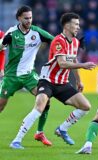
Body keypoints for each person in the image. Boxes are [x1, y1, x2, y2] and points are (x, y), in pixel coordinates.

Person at [9, 12, 96, 149]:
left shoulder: (75, 42)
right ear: (67, 25)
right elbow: (62, 63)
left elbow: (73, 60)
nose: (78, 27)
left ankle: (62, 129)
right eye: (76, 24)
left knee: (86, 106)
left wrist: (79, 81)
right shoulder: (58, 41)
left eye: (79, 25)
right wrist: (83, 66)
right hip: (47, 81)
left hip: (63, 83)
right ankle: (16, 140)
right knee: (39, 107)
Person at [0, 5, 54, 146]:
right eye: (26, 18)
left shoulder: (37, 32)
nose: (29, 20)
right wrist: (2, 44)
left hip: (29, 75)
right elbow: (1, 47)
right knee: (0, 106)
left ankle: (39, 132)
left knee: (46, 100)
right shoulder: (12, 33)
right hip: (11, 76)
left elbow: (55, 41)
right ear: (19, 18)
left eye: (30, 18)